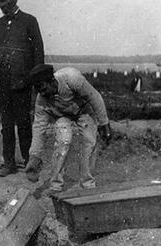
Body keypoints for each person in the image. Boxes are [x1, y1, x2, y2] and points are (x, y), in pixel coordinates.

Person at [0, 0, 44, 177]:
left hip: (22, 82)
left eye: (5, 4)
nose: (3, 9)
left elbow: (38, 53)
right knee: (7, 125)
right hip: (2, 83)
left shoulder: (29, 21)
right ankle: (9, 163)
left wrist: (37, 79)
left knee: (24, 124)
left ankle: (29, 164)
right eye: (0, 6)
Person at [24, 64, 112, 193]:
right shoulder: (41, 100)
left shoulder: (72, 79)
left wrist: (104, 123)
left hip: (83, 110)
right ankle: (55, 185)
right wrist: (34, 156)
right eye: (37, 90)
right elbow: (39, 127)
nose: (41, 93)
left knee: (90, 141)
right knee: (63, 141)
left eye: (43, 88)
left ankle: (87, 184)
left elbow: (95, 97)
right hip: (61, 115)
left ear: (52, 81)